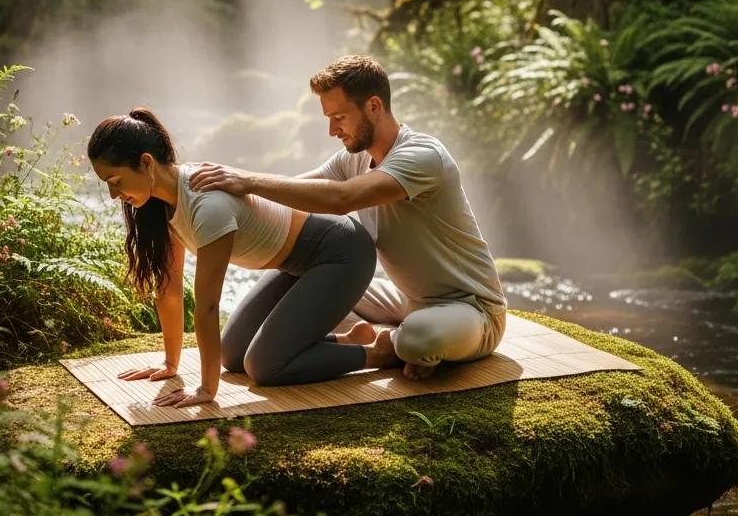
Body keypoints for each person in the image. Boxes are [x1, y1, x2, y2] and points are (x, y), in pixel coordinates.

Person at [189, 55, 507, 381]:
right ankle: (349, 340)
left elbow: (343, 199)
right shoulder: (351, 161)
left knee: (417, 340)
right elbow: (295, 192)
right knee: (240, 345)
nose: (331, 130)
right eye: (329, 118)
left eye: (339, 117)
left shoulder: (422, 156)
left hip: (470, 307)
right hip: (404, 299)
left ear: (373, 107)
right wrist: (220, 193)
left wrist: (248, 179)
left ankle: (392, 345)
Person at [88, 107, 394, 409]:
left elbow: (207, 307)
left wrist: (207, 388)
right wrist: (171, 363)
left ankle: (379, 354)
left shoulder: (206, 205)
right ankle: (348, 340)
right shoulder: (162, 203)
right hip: (293, 263)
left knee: (264, 366)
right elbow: (169, 287)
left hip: (341, 252)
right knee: (233, 356)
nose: (114, 195)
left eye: (116, 181)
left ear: (146, 163)